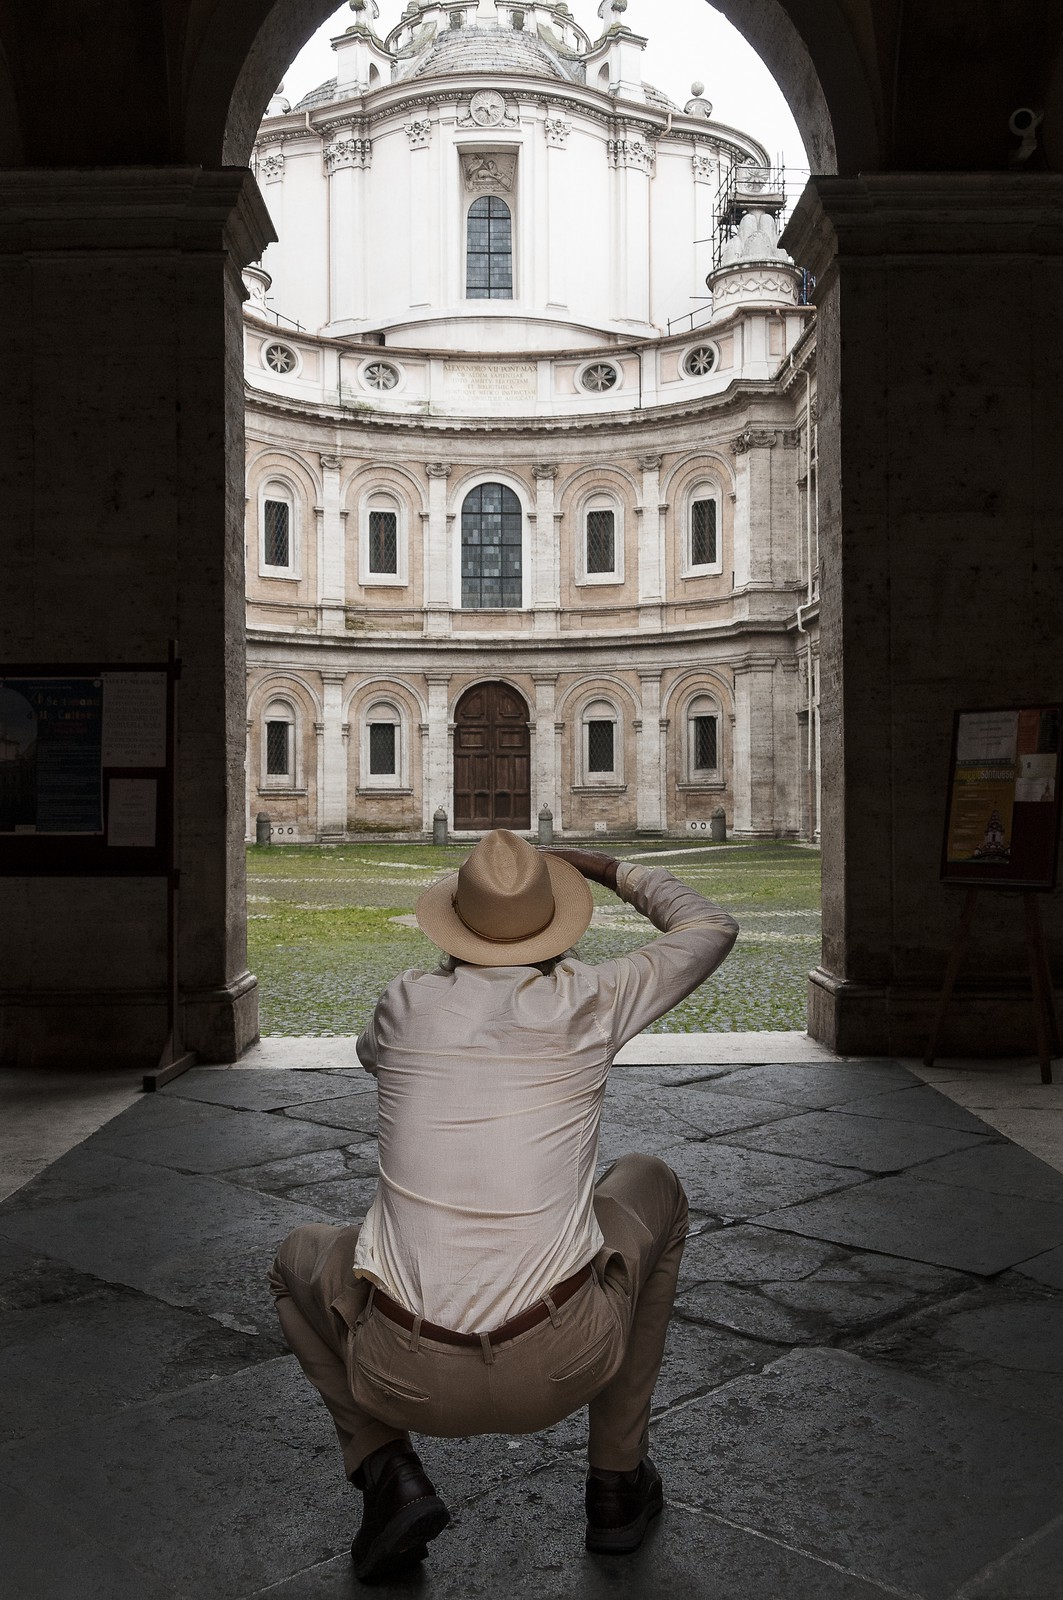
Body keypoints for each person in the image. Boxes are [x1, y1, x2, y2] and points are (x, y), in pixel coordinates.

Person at [269, 830, 738, 1582]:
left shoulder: (401, 1005)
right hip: (561, 1360)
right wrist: (611, 869)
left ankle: (386, 1469)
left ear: (452, 923)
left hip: (403, 1369)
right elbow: (711, 927)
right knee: (652, 1183)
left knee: (294, 1259)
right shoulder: (590, 998)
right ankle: (617, 1481)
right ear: (559, 922)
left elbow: (371, 1054)